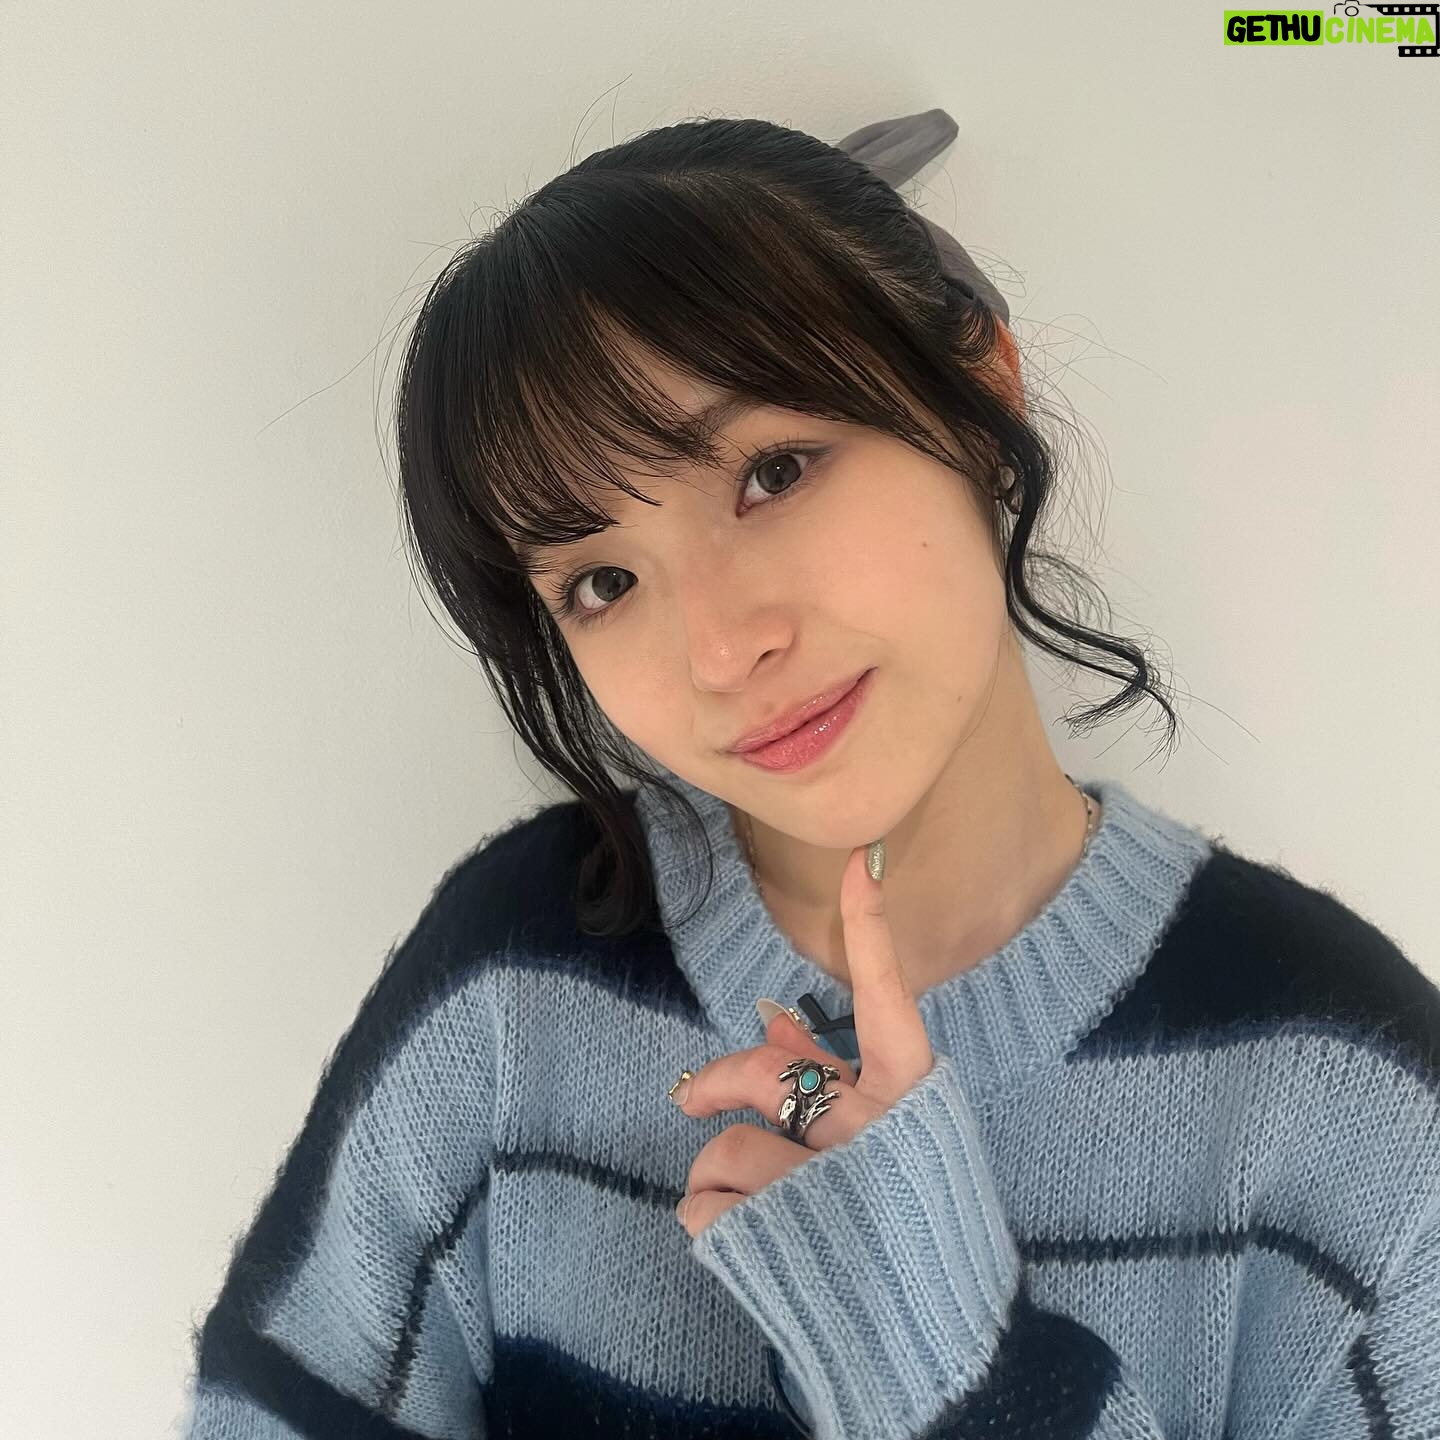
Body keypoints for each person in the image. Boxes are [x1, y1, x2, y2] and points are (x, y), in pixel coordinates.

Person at [181, 109, 1440, 1440]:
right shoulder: (514, 983)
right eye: (601, 582)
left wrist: (938, 1355)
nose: (721, 650)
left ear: (982, 393)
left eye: (772, 473)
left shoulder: (1349, 1107)